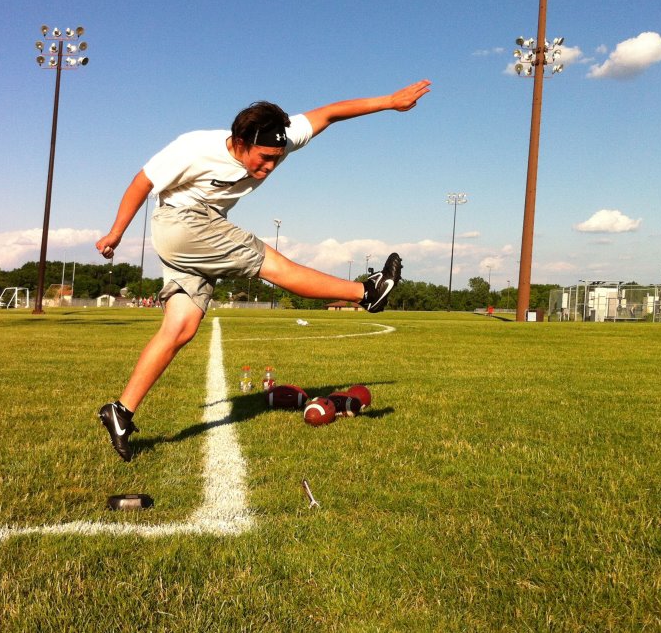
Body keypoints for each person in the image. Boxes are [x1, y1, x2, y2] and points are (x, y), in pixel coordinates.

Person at [95, 79, 431, 461]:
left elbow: (330, 114)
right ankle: (367, 292)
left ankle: (121, 410)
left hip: (192, 237)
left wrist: (389, 101)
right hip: (184, 222)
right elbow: (143, 181)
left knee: (180, 328)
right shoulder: (195, 147)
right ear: (240, 142)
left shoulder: (281, 137)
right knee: (273, 265)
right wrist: (116, 232)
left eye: (277, 158)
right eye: (264, 158)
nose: (269, 167)